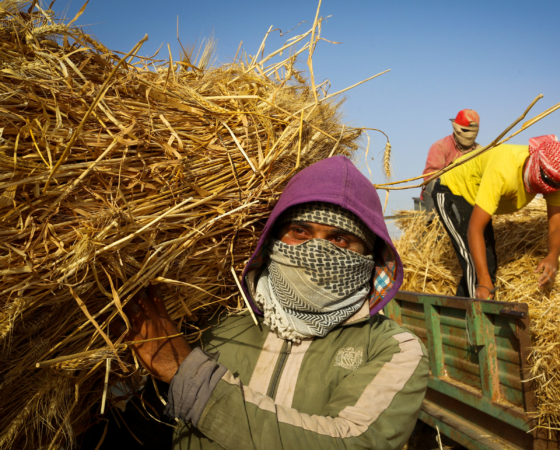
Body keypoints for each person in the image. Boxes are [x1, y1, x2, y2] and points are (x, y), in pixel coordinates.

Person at [114, 155, 429, 450]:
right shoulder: (215, 321)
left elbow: (349, 442)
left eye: (339, 240)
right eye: (299, 231)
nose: (314, 251)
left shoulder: (394, 349)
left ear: (368, 257)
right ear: (273, 240)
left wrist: (190, 377)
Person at [430, 135, 560, 300]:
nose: (548, 189)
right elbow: (475, 228)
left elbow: (557, 226)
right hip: (453, 189)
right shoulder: (503, 168)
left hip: (476, 197)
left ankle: (460, 317)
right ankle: (474, 323)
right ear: (535, 163)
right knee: (476, 268)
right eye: (545, 181)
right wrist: (483, 280)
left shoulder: (557, 177)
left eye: (555, 186)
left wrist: (553, 256)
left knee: (489, 264)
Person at [420, 109, 481, 212]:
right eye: (465, 131)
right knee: (434, 183)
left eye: (472, 132)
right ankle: (434, 222)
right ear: (456, 128)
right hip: (444, 196)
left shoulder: (480, 151)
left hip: (470, 196)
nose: (469, 135)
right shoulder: (440, 147)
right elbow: (430, 177)